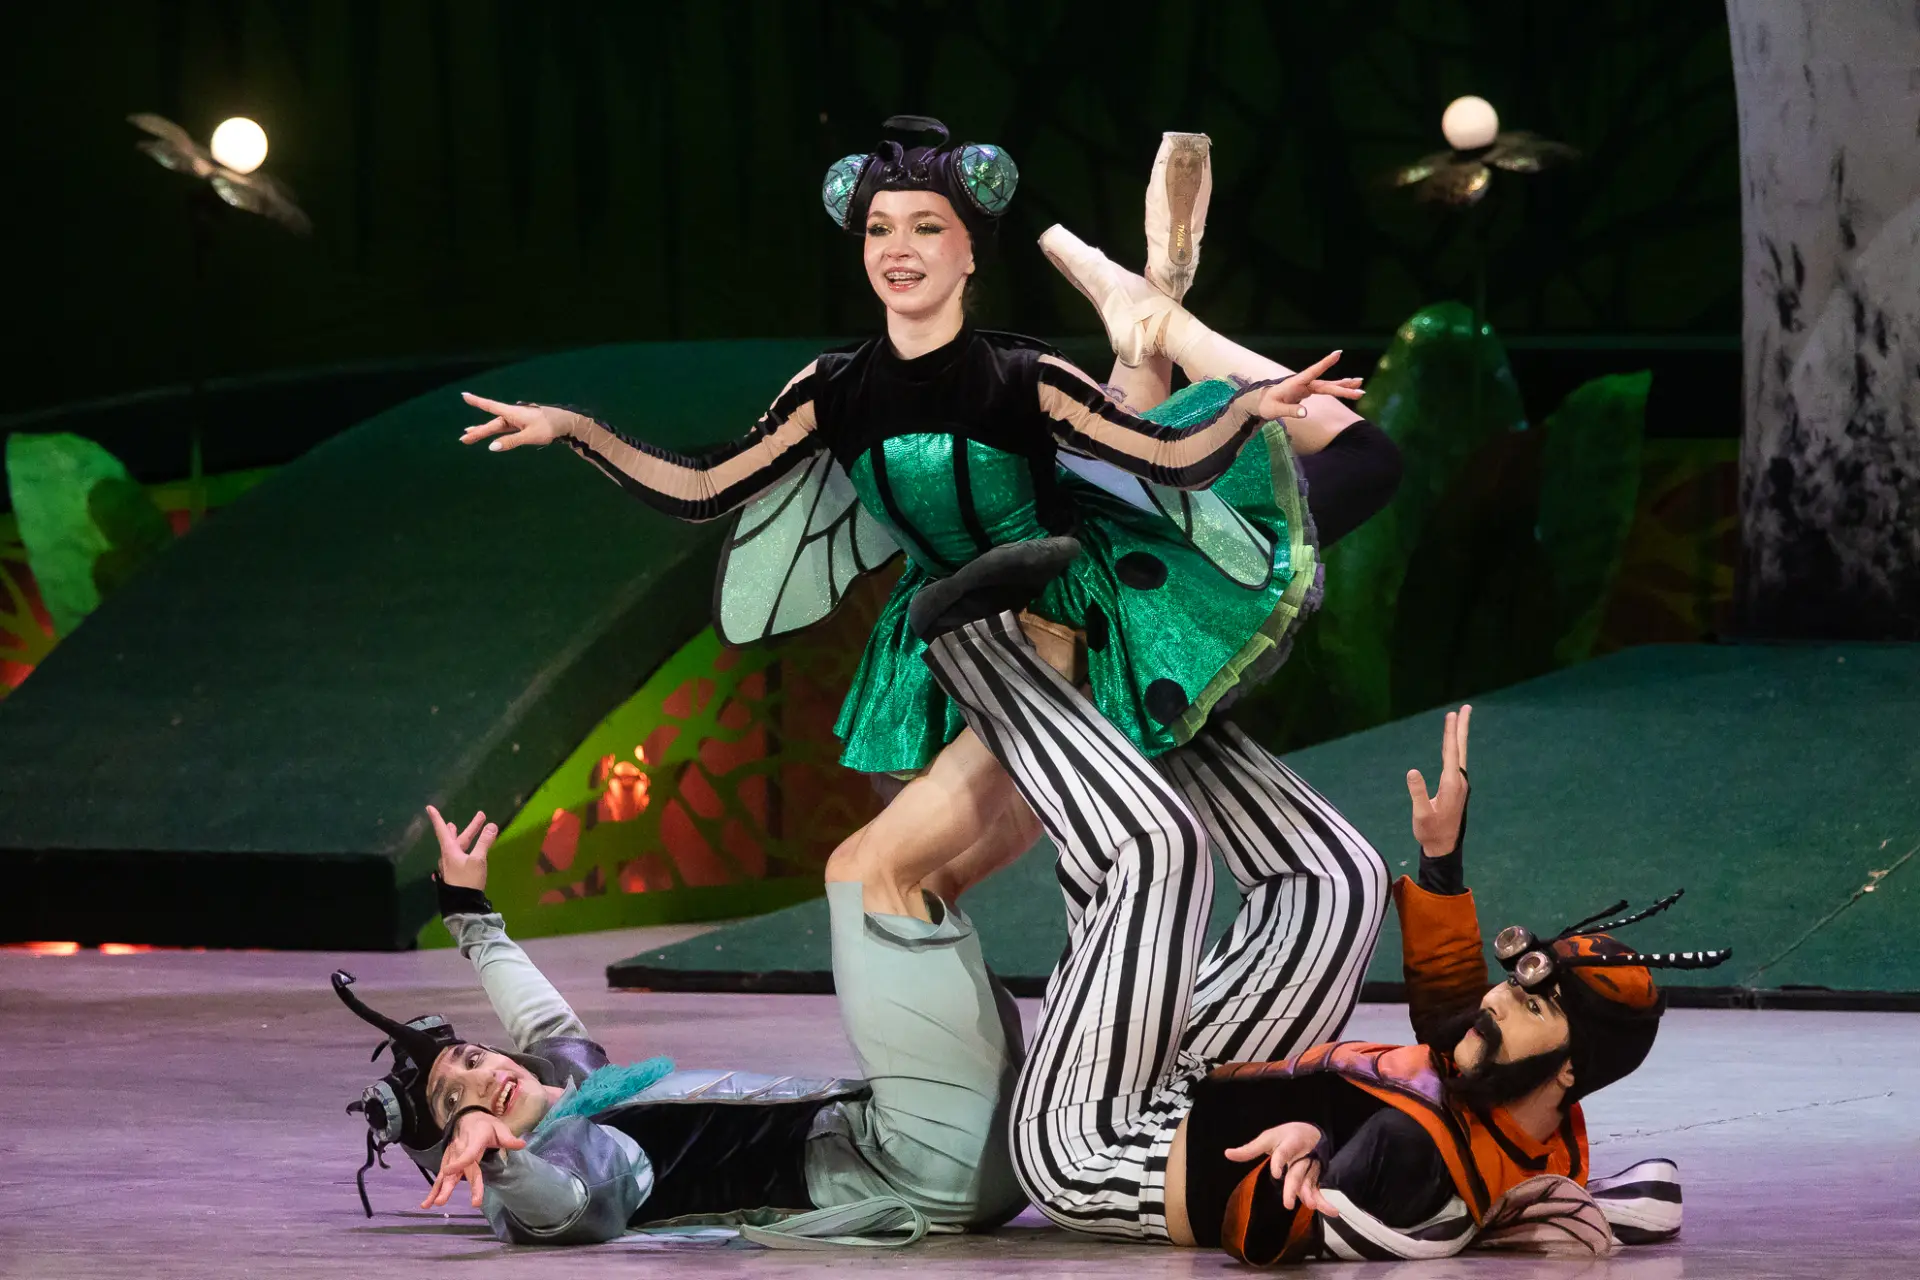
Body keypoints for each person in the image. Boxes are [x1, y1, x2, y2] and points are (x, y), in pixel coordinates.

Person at [456, 118, 1389, 926]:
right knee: (927, 874)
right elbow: (706, 487)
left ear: (970, 252)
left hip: (1062, 608)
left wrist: (1248, 405)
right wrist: (576, 430)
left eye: (927, 227)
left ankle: (1158, 317)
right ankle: (1150, 308)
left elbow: (1169, 459)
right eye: (879, 229)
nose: (897, 249)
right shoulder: (831, 388)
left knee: (878, 869)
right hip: (946, 624)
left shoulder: (1023, 374)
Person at [907, 579, 1731, 1262]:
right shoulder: (1536, 1124)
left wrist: (1309, 1159)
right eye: (1516, 982)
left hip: (1095, 1148)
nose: (1498, 997)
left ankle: (973, 643)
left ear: (1569, 1070)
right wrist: (1441, 861)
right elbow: (1643, 1186)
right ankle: (1137, 665)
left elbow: (1264, 1240)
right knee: (1342, 881)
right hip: (1191, 1082)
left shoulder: (1423, 1167)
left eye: (1530, 1005)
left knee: (1158, 851)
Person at [331, 797, 1026, 1247]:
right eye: (454, 1101)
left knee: (930, 879)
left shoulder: (581, 1100)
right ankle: (1034, 694)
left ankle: (1053, 728)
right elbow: (568, 1205)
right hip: (919, 1165)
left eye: (474, 1059)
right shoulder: (564, 1159)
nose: (482, 1083)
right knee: (867, 873)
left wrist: (470, 915)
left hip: (935, 1151)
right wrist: (498, 1158)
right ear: (451, 1149)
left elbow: (546, 1026)